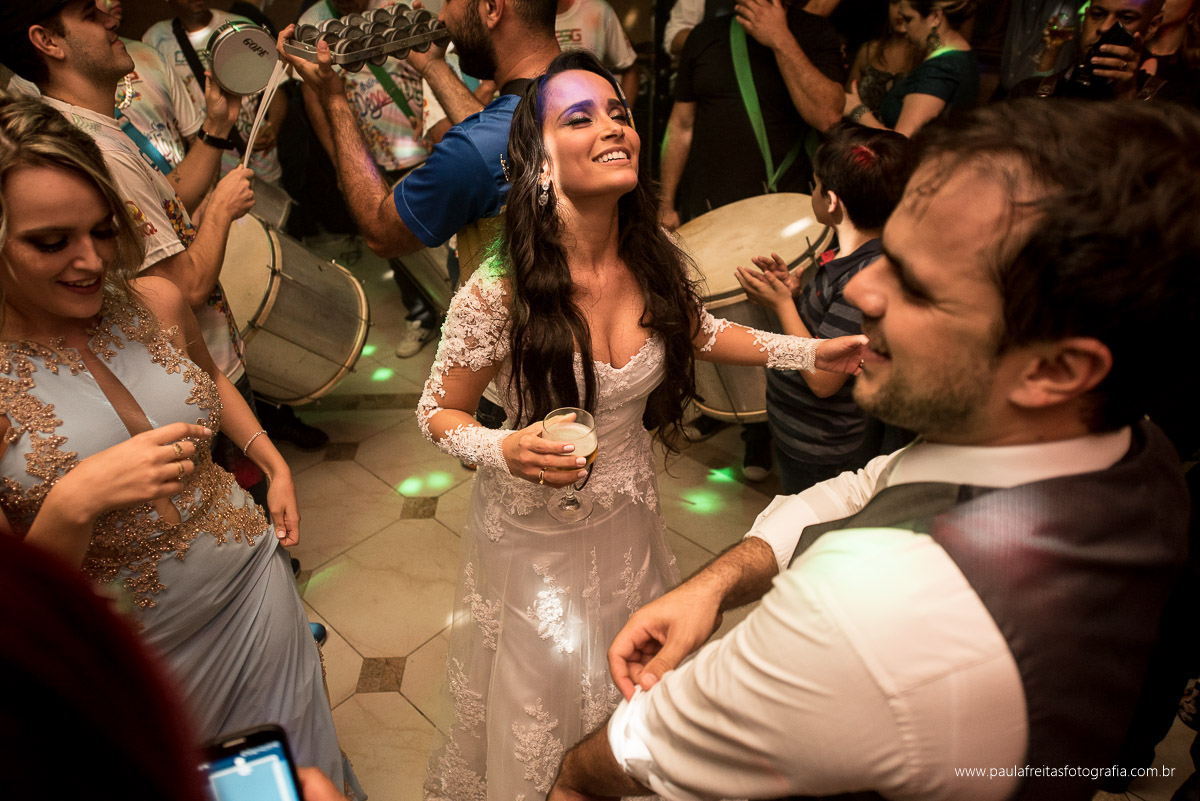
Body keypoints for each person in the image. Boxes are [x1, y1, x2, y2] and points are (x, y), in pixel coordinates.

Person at [548, 98, 1197, 801]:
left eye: (916, 284)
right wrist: (717, 584)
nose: (860, 287)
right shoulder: (1137, 446)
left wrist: (574, 777)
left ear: (1055, 370)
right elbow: (874, 481)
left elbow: (627, 758)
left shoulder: (863, 611)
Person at [415, 49, 866, 801]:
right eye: (580, 117)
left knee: (629, 692)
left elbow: (708, 334)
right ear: (541, 163)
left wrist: (815, 349)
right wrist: (504, 446)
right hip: (536, 545)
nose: (613, 126)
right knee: (542, 709)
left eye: (618, 112)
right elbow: (435, 411)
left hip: (629, 524)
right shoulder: (497, 291)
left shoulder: (651, 258)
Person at [0, 95, 362, 797]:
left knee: (305, 774)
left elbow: (205, 379)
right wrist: (75, 501)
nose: (90, 261)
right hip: (134, 655)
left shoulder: (154, 302)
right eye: (51, 241)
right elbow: (16, 614)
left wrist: (272, 456)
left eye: (103, 231)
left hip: (254, 587)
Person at [279, 0, 561, 432]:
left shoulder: (476, 148)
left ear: (491, 8)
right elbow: (505, 147)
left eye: (449, 0)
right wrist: (433, 66)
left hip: (519, 380)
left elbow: (380, 231)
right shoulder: (591, 86)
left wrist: (332, 97)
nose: (441, 17)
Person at [658, 0, 846, 480]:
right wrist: (667, 200)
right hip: (710, 206)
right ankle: (727, 410)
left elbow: (827, 113)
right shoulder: (706, 37)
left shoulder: (815, 35)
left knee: (784, 317)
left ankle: (765, 431)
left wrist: (780, 37)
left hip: (784, 215)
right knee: (714, 314)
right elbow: (682, 126)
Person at [735, 122, 913, 494]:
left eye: (814, 184)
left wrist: (781, 304)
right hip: (800, 426)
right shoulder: (848, 256)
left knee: (809, 522)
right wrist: (797, 296)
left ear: (831, 202)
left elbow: (824, 380)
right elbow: (824, 331)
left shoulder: (864, 279)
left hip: (819, 442)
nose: (811, 191)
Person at [143, 0, 286, 186]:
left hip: (260, 159)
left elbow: (276, 87)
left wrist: (272, 126)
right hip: (211, 169)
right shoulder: (156, 39)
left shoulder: (240, 26)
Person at [845, 0, 979, 136]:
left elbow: (903, 142)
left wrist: (857, 111)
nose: (905, 27)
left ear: (935, 17)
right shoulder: (961, 53)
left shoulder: (940, 67)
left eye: (909, 19)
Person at [1009, 0, 1163, 100]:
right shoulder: (1029, 92)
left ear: (1152, 26)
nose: (1104, 27)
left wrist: (1127, 96)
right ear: (1086, 17)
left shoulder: (1169, 103)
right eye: (1097, 15)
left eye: (1126, 18)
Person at [555, 0, 640, 101]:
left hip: (590, 108)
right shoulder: (532, 16)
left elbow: (630, 69)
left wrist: (624, 114)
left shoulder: (597, 9)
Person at [846, 0, 921, 114]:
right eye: (895, 2)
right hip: (857, 130)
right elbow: (846, 102)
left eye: (909, 2)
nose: (900, 10)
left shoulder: (929, 57)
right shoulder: (869, 51)